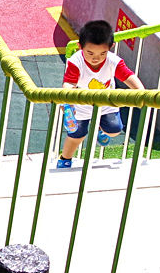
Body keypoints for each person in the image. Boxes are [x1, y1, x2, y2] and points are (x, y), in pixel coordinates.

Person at [57, 19, 146, 169]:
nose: (95, 58)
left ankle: (100, 129)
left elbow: (129, 77)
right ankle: (65, 158)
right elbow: (69, 83)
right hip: (82, 103)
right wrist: (67, 99)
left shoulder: (113, 61)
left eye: (102, 53)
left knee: (114, 130)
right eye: (90, 53)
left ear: (110, 48)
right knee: (77, 134)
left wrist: (142, 94)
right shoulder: (75, 61)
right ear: (80, 47)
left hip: (106, 102)